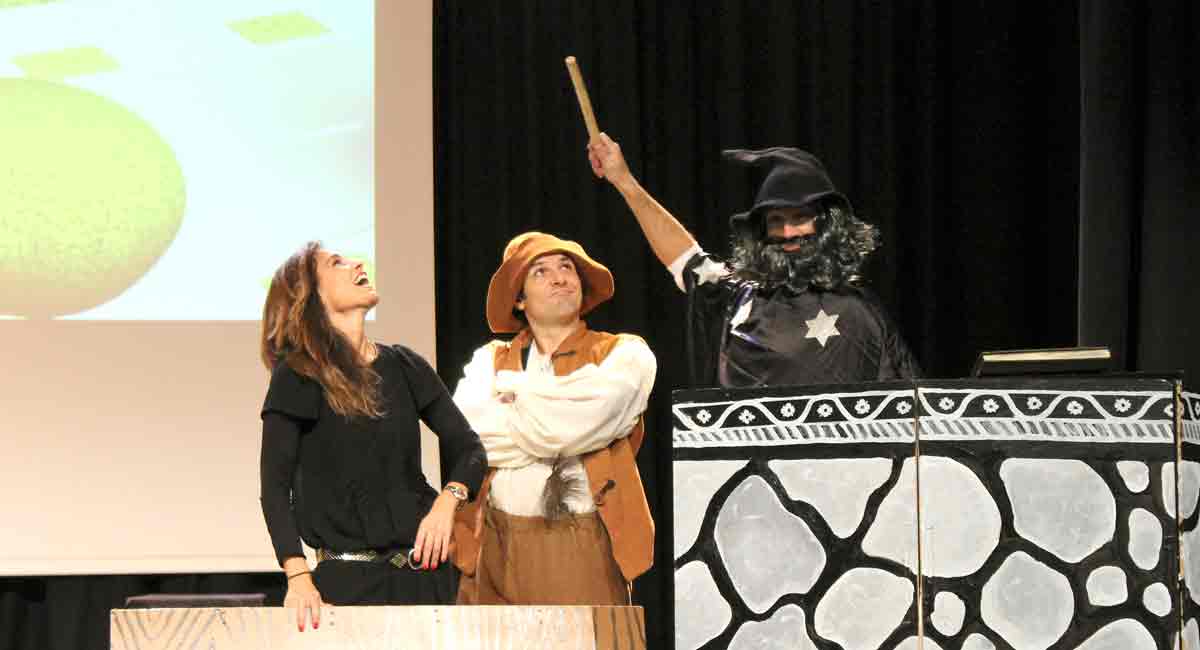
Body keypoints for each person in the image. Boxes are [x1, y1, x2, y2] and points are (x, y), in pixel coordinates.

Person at [258, 242, 486, 631]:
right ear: (309, 293)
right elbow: (275, 488)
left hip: (425, 579)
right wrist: (297, 577)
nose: (357, 264)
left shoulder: (404, 365)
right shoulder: (298, 375)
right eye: (336, 263)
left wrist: (448, 502)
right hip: (345, 589)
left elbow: (470, 449)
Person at [588, 134, 921, 387]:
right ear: (761, 231)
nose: (789, 232)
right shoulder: (738, 296)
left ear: (826, 225)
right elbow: (685, 258)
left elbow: (912, 409)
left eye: (800, 218)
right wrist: (624, 181)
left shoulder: (861, 311)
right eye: (777, 220)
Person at [450, 231, 657, 605]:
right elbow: (471, 437)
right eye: (540, 272)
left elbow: (588, 417)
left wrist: (516, 394)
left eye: (567, 268)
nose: (560, 277)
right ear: (519, 299)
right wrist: (562, 422)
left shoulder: (623, 353)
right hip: (494, 541)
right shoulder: (489, 359)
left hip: (579, 541)